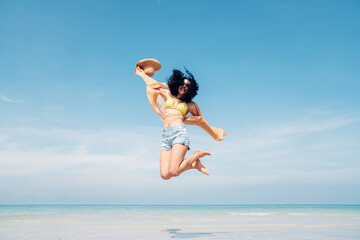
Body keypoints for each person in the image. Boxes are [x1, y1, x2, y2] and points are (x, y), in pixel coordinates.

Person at [135, 66, 227, 180]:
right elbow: (153, 84)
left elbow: (201, 121)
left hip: (179, 134)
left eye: (188, 86)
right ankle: (194, 164)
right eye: (183, 83)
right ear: (177, 83)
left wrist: (216, 134)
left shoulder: (190, 105)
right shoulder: (167, 94)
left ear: (191, 89)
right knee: (165, 175)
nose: (185, 86)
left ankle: (197, 155)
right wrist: (141, 74)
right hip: (165, 136)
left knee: (174, 171)